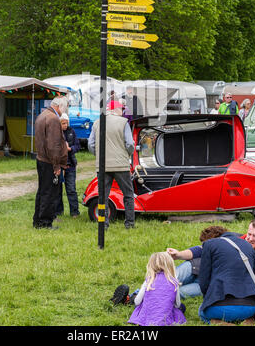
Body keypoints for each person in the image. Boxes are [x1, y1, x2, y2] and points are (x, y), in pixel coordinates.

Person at [198, 228, 255, 325]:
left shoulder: (209, 244)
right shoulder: (248, 246)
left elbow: (203, 281)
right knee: (243, 313)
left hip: (219, 307)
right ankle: (249, 320)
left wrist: (208, 298)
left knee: (201, 311)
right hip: (251, 307)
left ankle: (220, 322)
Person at [88, 100, 135, 229]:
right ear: (116, 110)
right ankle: (129, 223)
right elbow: (130, 144)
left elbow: (90, 144)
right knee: (128, 194)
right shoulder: (123, 122)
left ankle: (103, 224)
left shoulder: (97, 123)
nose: (123, 112)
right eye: (122, 109)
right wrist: (128, 154)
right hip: (121, 165)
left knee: (103, 195)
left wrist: (98, 156)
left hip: (102, 165)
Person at [33, 96, 68, 230]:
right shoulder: (53, 118)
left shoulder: (42, 115)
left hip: (41, 159)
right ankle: (45, 223)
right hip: (49, 161)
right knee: (49, 192)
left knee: (42, 191)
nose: (64, 111)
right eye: (64, 108)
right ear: (59, 106)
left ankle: (38, 220)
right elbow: (53, 145)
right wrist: (56, 165)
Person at [167, 226, 228, 299]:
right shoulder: (206, 248)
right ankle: (152, 287)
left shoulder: (229, 255)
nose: (204, 248)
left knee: (177, 293)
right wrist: (178, 254)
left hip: (205, 284)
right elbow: (195, 251)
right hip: (194, 269)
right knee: (167, 280)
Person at [127, 252, 186, 326]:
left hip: (147, 317)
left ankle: (130, 297)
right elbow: (177, 305)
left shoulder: (149, 280)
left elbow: (137, 302)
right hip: (165, 317)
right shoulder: (174, 282)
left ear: (151, 265)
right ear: (170, 265)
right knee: (182, 307)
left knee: (140, 302)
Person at [55, 113, 81, 219]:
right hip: (59, 165)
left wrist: (71, 149)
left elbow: (78, 145)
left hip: (70, 164)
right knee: (58, 190)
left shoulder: (71, 132)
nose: (65, 125)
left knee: (71, 189)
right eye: (63, 123)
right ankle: (58, 211)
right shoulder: (56, 133)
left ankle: (74, 212)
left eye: (66, 123)